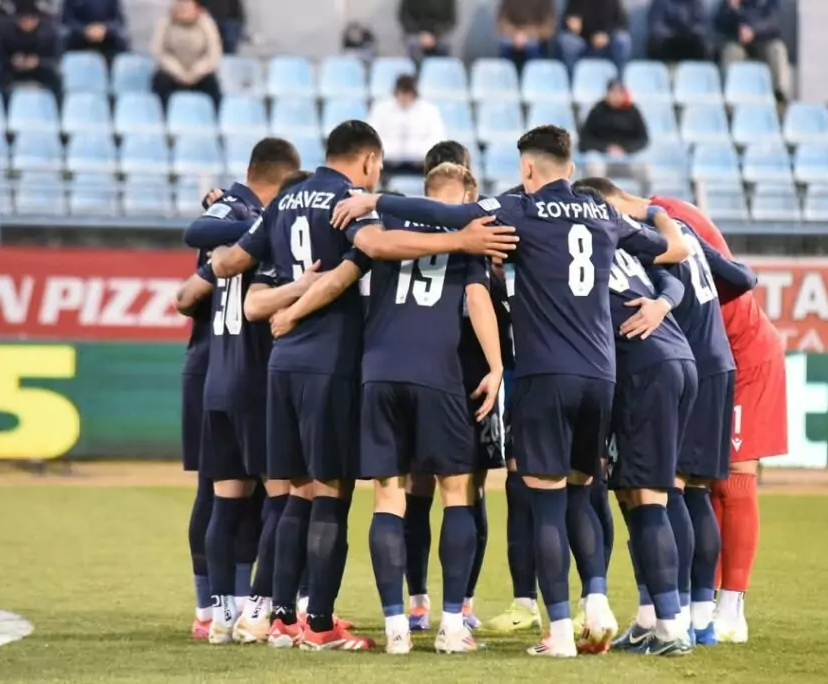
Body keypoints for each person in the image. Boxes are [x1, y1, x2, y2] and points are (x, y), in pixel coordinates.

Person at [328, 125, 691, 657]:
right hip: (602, 374)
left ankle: (559, 633)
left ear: (527, 169)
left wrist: (377, 199)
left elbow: (447, 216)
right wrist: (658, 211)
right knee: (584, 492)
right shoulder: (604, 213)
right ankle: (599, 603)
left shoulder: (519, 209)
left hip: (543, 375)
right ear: (571, 167)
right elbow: (670, 250)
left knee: (544, 504)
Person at [209, 120, 514, 653]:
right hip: (400, 370)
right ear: (370, 160)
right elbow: (473, 297)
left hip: (345, 369)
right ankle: (437, 622)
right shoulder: (441, 228)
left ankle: (295, 619)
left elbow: (229, 264)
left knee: (318, 494)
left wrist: (290, 304)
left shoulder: (318, 206)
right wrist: (496, 365)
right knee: (450, 492)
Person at [578, 179, 756, 654]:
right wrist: (664, 302)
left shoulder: (613, 237)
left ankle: (670, 621)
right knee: (686, 491)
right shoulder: (672, 229)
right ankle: (689, 618)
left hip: (655, 364)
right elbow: (736, 278)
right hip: (702, 360)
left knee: (658, 493)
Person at [173, 138, 303, 645]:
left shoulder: (235, 242)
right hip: (253, 378)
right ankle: (261, 609)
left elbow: (187, 293)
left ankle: (220, 614)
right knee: (280, 495)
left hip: (218, 376)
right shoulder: (262, 231)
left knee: (224, 499)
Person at [649, 194, 788, 644]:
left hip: (744, 355)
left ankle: (732, 608)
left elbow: (737, 276)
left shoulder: (666, 216)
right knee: (699, 483)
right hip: (704, 358)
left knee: (734, 480)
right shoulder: (665, 213)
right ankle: (700, 603)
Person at [403, 142, 515, 634]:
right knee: (468, 490)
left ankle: (420, 602)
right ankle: (460, 605)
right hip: (471, 374)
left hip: (423, 370)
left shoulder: (403, 232)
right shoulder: (481, 236)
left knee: (418, 488)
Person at [368, 75, 446, 177]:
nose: (405, 98)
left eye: (408, 94)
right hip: (388, 160)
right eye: (402, 94)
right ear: (396, 93)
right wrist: (391, 151)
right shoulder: (381, 109)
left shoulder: (430, 110)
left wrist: (418, 151)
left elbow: (438, 138)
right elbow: (371, 137)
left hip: (420, 161)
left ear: (414, 94)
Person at [150, 0, 222, 109]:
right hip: (172, 72)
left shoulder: (206, 22)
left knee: (212, 86)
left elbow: (214, 53)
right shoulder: (165, 21)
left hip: (199, 73)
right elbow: (158, 51)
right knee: (161, 82)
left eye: (187, 4)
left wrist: (196, 72)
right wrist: (178, 72)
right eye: (180, 4)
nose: (183, 7)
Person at [714, 0, 790, 102]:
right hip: (739, 43)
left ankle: (779, 94)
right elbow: (719, 24)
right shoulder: (728, 3)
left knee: (777, 49)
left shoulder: (768, 2)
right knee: (731, 51)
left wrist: (754, 31)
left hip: (764, 41)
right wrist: (731, 9)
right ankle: (728, 96)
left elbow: (774, 21)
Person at [0, 0, 61, 101]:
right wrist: (12, 61)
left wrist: (38, 61)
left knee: (56, 79)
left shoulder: (48, 33)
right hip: (12, 71)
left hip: (40, 70)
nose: (27, 23)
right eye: (23, 19)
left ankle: (56, 106)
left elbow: (54, 58)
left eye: (31, 19)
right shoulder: (5, 33)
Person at [579, 79, 649, 178]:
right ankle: (597, 188)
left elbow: (643, 139)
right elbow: (584, 140)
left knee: (643, 166)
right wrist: (606, 148)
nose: (616, 95)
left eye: (619, 92)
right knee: (593, 164)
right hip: (602, 155)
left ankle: (645, 189)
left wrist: (625, 149)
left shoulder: (633, 111)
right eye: (613, 92)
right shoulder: (597, 110)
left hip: (627, 156)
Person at [557, 0, 632, 72]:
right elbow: (566, 20)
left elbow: (622, 22)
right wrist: (571, 25)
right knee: (568, 42)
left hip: (607, 41)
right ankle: (572, 78)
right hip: (583, 39)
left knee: (622, 39)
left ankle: (619, 77)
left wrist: (608, 35)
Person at [61, 0, 129, 62]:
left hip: (106, 39)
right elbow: (66, 20)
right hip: (77, 40)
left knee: (121, 39)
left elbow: (118, 21)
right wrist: (85, 30)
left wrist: (104, 29)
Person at [497, 0, 556, 71]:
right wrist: (515, 35)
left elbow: (549, 27)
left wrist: (527, 34)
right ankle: (504, 74)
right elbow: (502, 22)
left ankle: (535, 75)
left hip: (535, 37)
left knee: (532, 45)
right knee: (505, 43)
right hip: (513, 36)